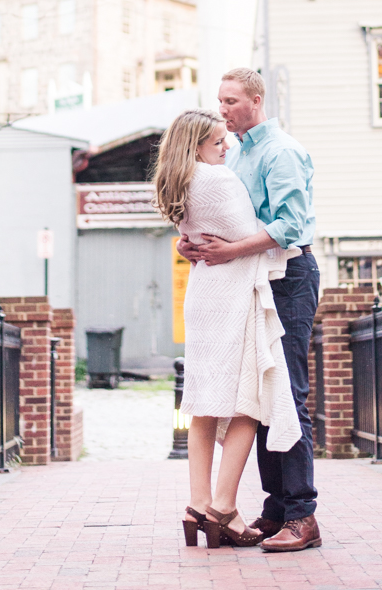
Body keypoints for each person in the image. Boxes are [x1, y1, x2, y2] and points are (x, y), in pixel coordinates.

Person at [178, 68, 320, 554]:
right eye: (219, 100)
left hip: (290, 279)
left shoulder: (279, 152)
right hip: (251, 281)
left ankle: (303, 514)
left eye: (232, 100)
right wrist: (192, 245)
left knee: (287, 392)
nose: (223, 108)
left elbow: (289, 226)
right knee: (258, 392)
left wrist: (230, 251)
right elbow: (223, 220)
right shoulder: (233, 153)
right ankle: (277, 508)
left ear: (256, 100)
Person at [153, 108, 302, 550]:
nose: (226, 146)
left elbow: (198, 236)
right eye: (217, 141)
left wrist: (192, 243)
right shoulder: (217, 180)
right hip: (233, 294)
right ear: (195, 144)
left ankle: (198, 506)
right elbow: (250, 234)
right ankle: (222, 507)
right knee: (246, 402)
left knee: (202, 403)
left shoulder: (177, 181)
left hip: (203, 295)